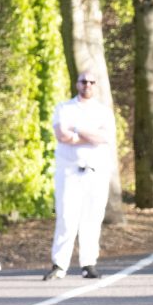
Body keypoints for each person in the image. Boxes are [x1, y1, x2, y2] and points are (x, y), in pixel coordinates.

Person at [42, 71, 116, 281]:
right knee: (66, 217)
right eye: (84, 81)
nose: (87, 85)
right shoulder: (64, 108)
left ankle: (88, 263)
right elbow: (62, 135)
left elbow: (104, 138)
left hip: (96, 170)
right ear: (77, 84)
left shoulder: (103, 111)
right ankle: (59, 264)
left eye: (92, 81)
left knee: (92, 218)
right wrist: (89, 135)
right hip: (69, 170)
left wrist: (77, 129)